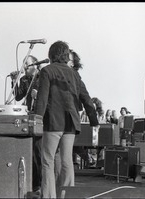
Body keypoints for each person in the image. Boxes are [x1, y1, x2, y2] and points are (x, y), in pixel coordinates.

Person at [34, 41, 99, 198]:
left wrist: (36, 120)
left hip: (53, 123)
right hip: (70, 124)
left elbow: (42, 99)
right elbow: (87, 99)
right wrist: (94, 121)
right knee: (67, 161)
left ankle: (49, 196)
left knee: (48, 162)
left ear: (51, 54)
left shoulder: (47, 71)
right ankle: (68, 195)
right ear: (65, 55)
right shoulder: (74, 74)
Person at [10, 55, 43, 193]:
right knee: (30, 149)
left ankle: (41, 182)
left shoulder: (42, 76)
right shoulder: (24, 79)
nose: (24, 67)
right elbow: (18, 96)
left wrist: (39, 93)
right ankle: (33, 182)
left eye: (27, 64)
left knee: (38, 150)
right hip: (29, 115)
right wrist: (14, 82)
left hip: (40, 116)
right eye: (24, 64)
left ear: (35, 64)